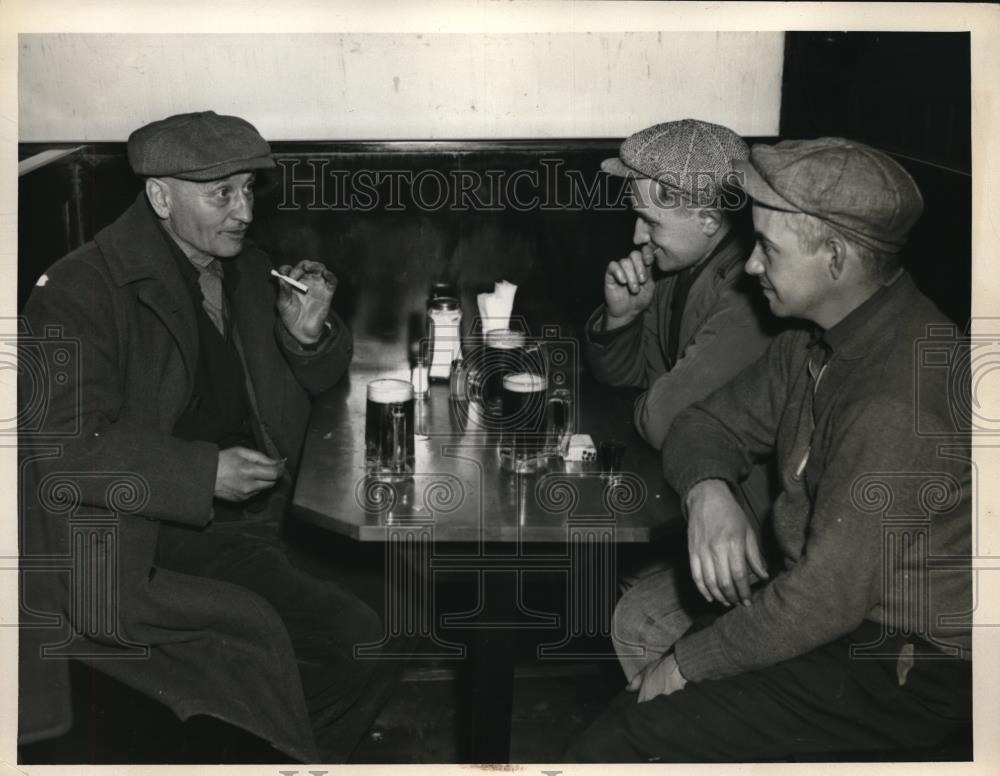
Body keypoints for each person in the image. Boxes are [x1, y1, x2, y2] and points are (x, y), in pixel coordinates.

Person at [568, 138, 972, 761]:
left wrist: (685, 662)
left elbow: (824, 600)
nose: (751, 265)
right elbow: (702, 424)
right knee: (630, 716)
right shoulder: (816, 337)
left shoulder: (897, 402)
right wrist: (708, 493)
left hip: (905, 662)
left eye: (769, 249)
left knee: (619, 743)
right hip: (834, 616)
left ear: (834, 258)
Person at [19, 111, 382, 762]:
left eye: (248, 189)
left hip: (259, 515)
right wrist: (204, 472)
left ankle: (286, 748)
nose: (244, 210)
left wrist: (308, 337)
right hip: (145, 540)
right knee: (336, 635)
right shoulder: (81, 290)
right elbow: (65, 453)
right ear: (161, 197)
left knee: (395, 612)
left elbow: (322, 379)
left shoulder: (247, 268)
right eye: (222, 194)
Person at [585, 119, 777, 528]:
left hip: (743, 526)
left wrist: (658, 399)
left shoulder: (748, 294)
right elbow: (632, 378)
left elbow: (662, 421)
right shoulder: (678, 269)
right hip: (677, 498)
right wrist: (624, 318)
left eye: (651, 222)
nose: (638, 236)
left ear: (708, 219)